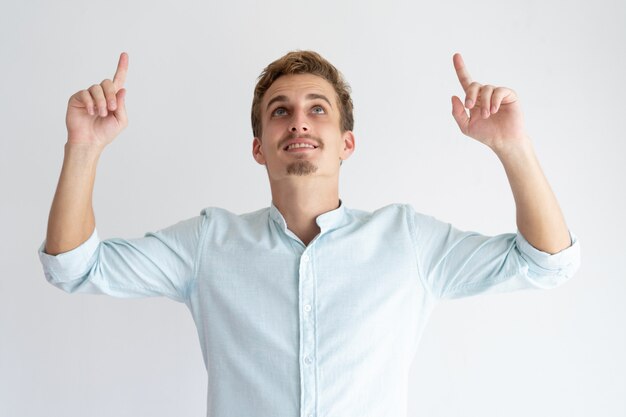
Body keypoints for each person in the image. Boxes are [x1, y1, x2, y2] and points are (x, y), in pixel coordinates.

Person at [38, 50, 581, 417]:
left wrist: (512, 145)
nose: (298, 121)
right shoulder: (209, 243)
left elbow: (546, 263)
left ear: (346, 142)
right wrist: (83, 147)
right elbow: (73, 266)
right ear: (258, 147)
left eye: (317, 109)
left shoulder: (407, 240)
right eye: (281, 111)